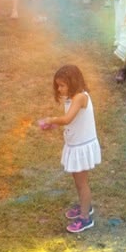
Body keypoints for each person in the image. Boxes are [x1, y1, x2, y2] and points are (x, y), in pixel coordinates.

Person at [36, 65, 101, 233]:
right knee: (78, 181)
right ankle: (85, 206)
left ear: (73, 83)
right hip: (75, 144)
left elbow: (67, 119)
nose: (59, 89)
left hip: (82, 146)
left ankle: (86, 218)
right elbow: (71, 121)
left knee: (82, 183)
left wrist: (51, 119)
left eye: (62, 85)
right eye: (58, 85)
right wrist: (53, 125)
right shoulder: (71, 98)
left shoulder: (80, 97)